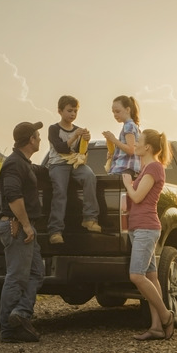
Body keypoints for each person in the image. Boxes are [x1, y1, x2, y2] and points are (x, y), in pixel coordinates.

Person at [122, 128, 175, 341]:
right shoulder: (147, 168)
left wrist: (127, 183)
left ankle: (165, 315)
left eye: (139, 142)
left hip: (146, 228)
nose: (135, 145)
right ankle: (156, 327)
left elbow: (137, 196)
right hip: (139, 228)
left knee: (136, 275)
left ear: (148, 147)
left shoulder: (154, 167)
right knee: (152, 277)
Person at [0, 121, 47, 343]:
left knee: (36, 272)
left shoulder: (24, 163)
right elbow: (12, 193)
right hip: (16, 226)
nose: (40, 138)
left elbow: (39, 171)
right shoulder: (13, 164)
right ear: (31, 140)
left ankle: (20, 314)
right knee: (16, 277)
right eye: (38, 135)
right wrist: (26, 224)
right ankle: (8, 330)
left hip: (24, 227)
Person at [46, 95, 101, 245]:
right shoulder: (54, 129)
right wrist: (74, 136)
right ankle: (55, 231)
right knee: (60, 192)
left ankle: (90, 219)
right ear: (60, 111)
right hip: (58, 164)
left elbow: (80, 151)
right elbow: (61, 148)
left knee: (90, 176)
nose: (73, 114)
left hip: (75, 163)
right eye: (69, 110)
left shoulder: (77, 130)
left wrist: (85, 140)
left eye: (75, 111)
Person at [103, 95, 141, 176]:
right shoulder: (132, 125)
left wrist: (114, 140)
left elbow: (130, 150)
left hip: (124, 168)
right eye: (113, 112)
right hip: (127, 169)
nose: (115, 115)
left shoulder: (128, 126)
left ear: (127, 110)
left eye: (117, 111)